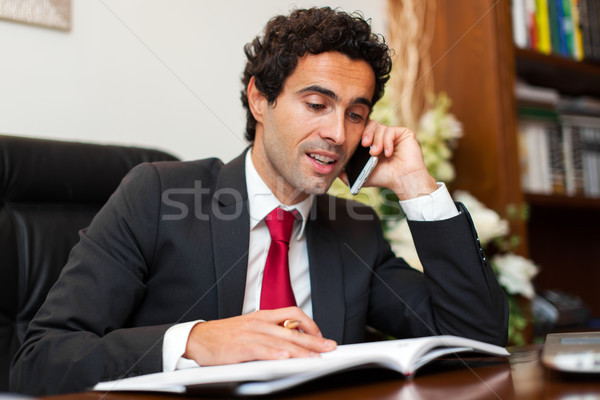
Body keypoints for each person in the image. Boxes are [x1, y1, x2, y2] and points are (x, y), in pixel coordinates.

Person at [10, 7, 508, 395]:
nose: (336, 133)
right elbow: (40, 362)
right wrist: (196, 341)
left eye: (356, 114)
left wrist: (416, 188)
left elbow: (476, 340)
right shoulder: (159, 195)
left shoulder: (353, 226)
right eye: (316, 105)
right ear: (259, 100)